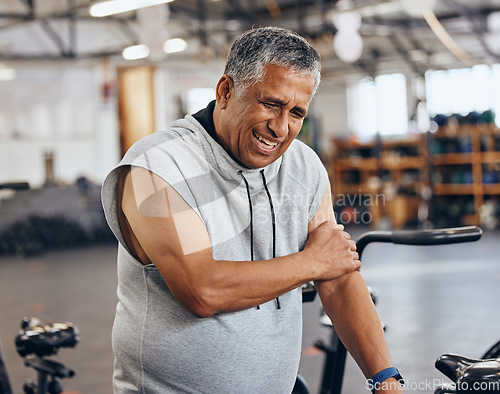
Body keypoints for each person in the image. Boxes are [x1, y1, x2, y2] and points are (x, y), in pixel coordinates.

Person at [101, 26, 403, 394]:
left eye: (296, 112)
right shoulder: (158, 166)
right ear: (226, 91)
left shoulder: (303, 166)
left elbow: (338, 278)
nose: (280, 128)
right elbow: (202, 290)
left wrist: (385, 379)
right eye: (271, 104)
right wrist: (313, 262)